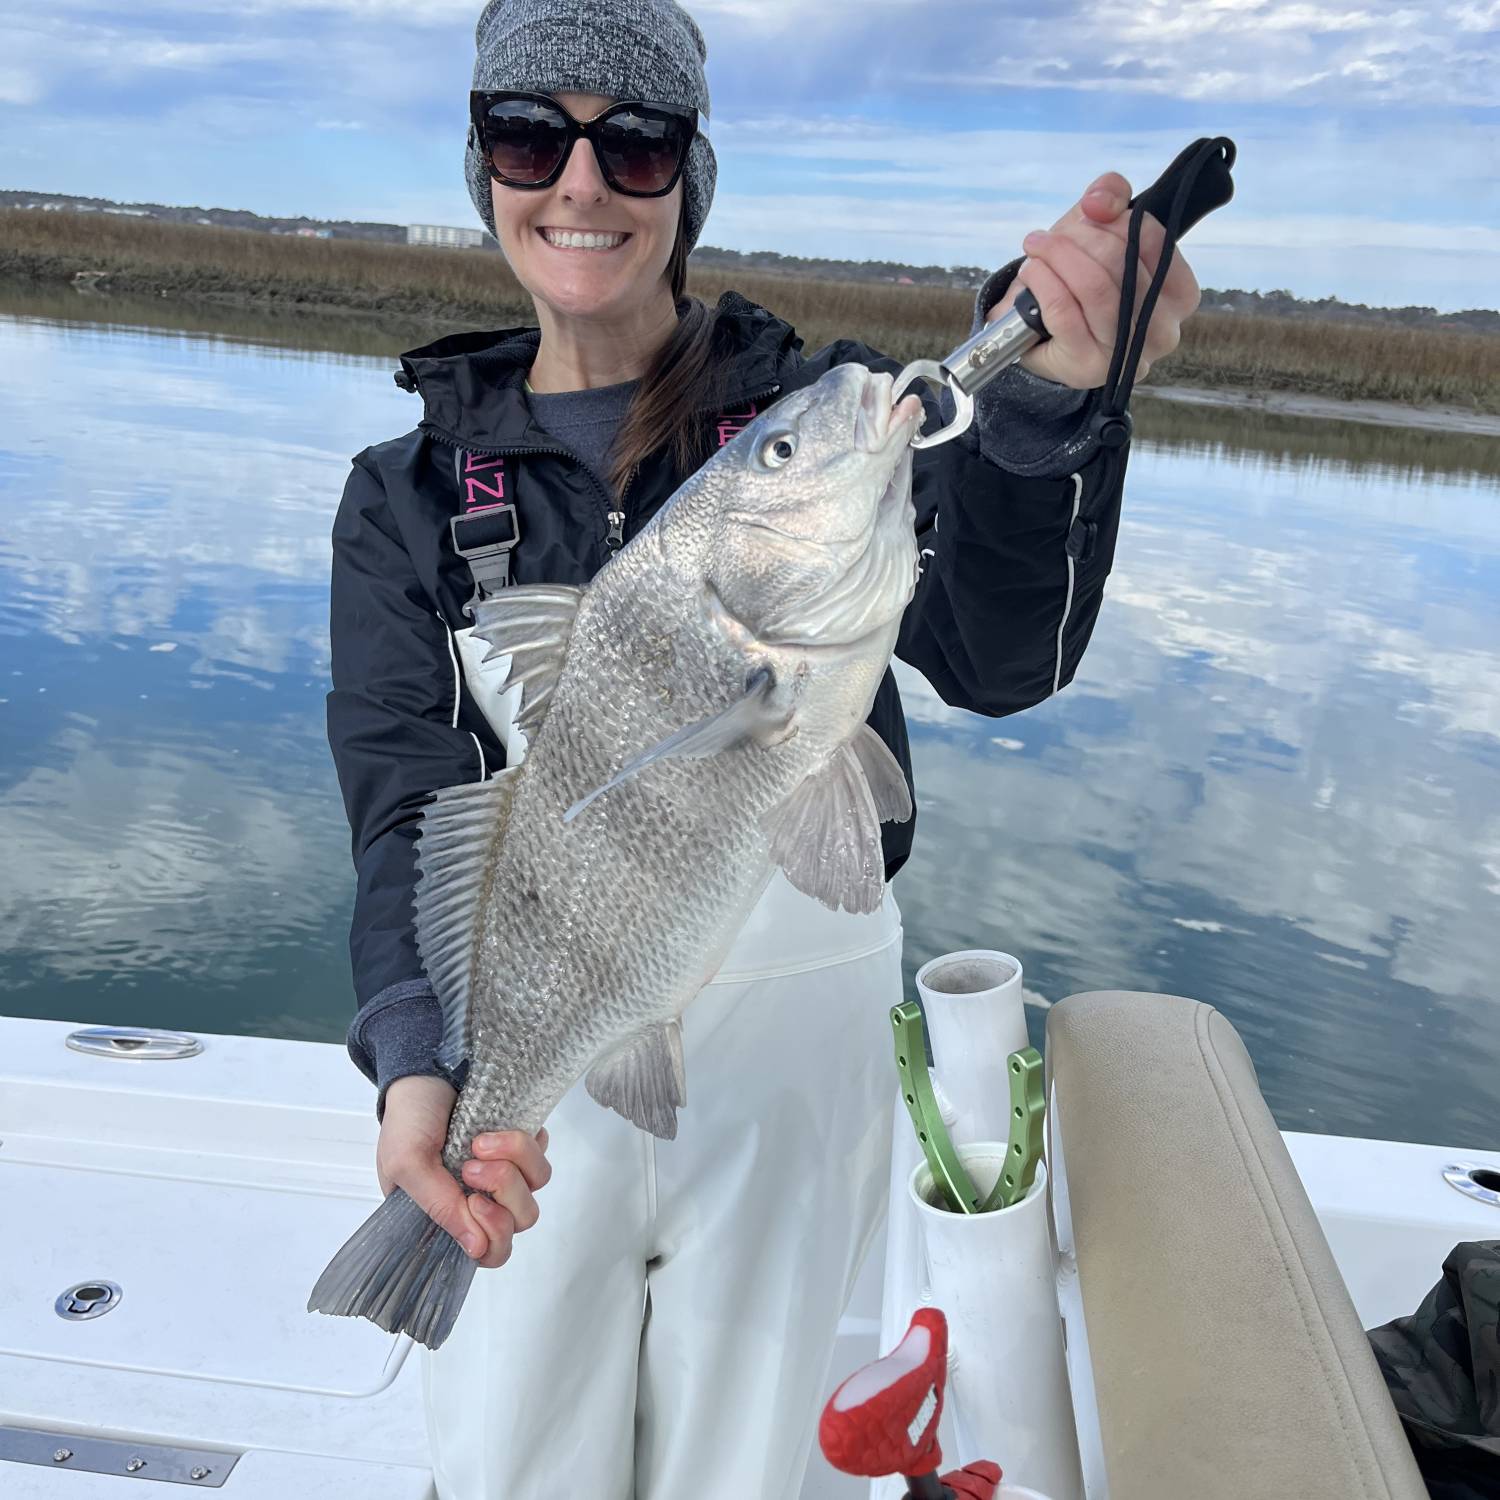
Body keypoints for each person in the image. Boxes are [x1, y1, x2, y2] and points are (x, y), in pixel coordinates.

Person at [324, 0, 1201, 1494]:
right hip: (547, 1045)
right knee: (512, 1458)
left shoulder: (814, 417)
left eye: (639, 142)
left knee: (747, 1459)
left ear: (690, 177)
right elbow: (410, 808)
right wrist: (422, 1067)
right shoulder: (404, 492)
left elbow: (1004, 656)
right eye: (533, 135)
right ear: (484, 171)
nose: (583, 184)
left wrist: (1052, 405)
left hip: (800, 1056)